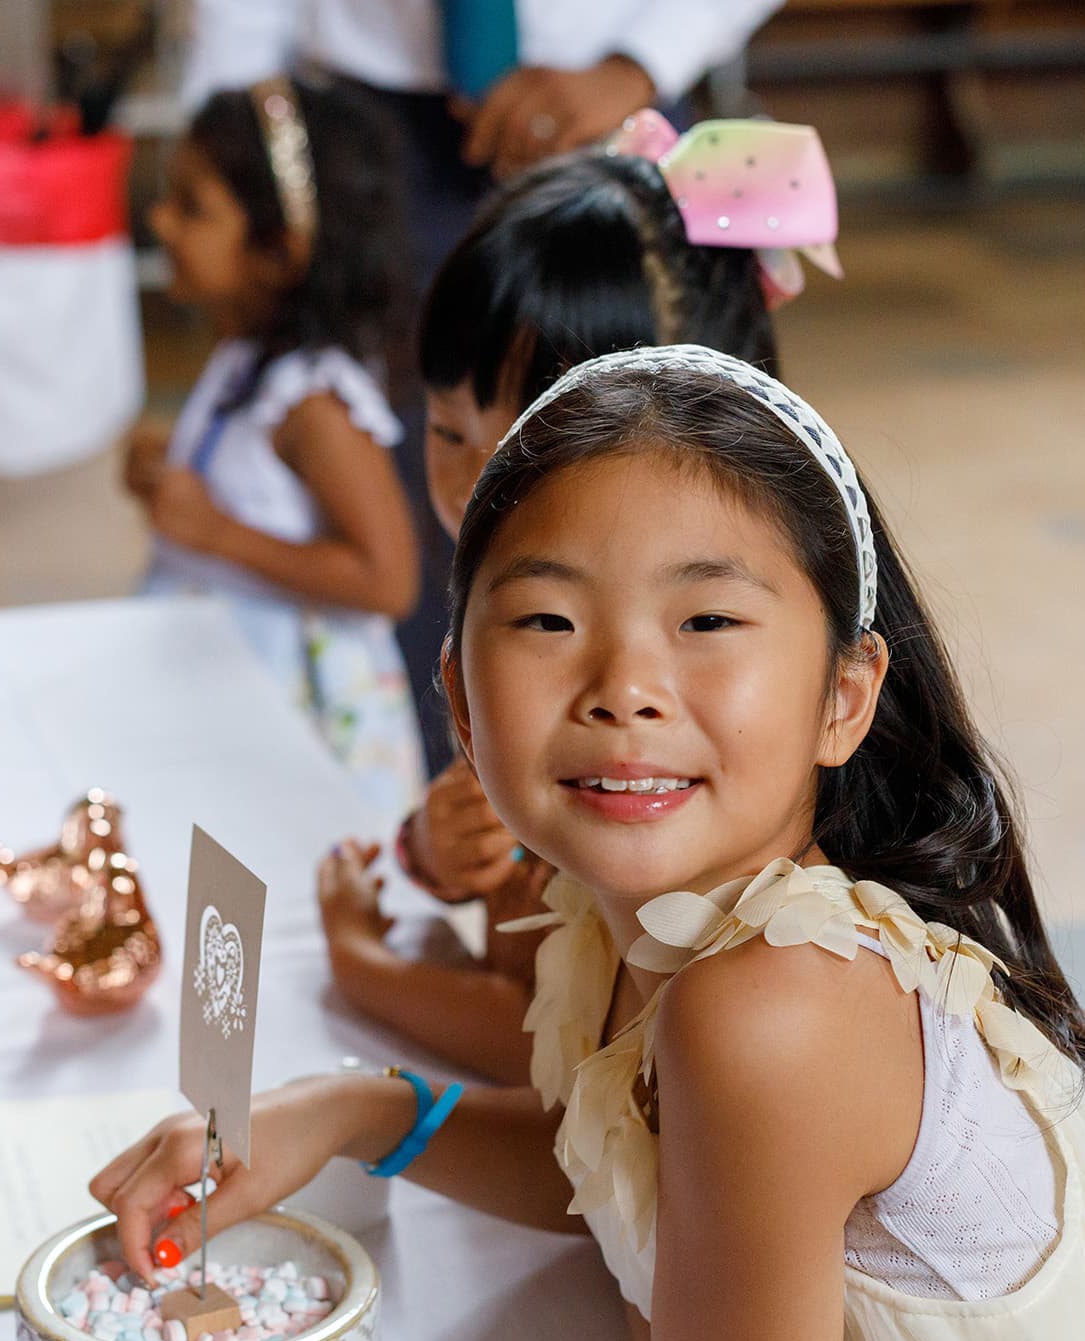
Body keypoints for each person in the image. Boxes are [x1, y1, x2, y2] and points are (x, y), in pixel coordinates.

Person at [97, 346, 1085, 1341]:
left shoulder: (771, 1004)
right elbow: (629, 1172)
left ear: (844, 698)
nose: (625, 684)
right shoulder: (639, 916)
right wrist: (353, 1109)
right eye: (550, 622)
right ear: (454, 691)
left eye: (709, 623)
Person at [318, 121, 816, 1085]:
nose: (470, 490)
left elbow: (573, 1057)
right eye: (448, 432)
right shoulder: (536, 628)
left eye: (519, 450)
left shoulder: (672, 722)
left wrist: (365, 968)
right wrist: (445, 848)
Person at [181, 0, 787, 773]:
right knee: (436, 531)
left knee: (655, 500)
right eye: (452, 440)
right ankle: (461, 768)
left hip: (617, 108)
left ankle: (651, 766)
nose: (480, 482)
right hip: (379, 120)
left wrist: (641, 61)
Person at [131, 75, 427, 820]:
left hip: (296, 707)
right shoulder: (241, 355)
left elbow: (388, 580)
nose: (160, 221)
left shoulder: (314, 404)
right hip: (222, 684)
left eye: (191, 207)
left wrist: (217, 533)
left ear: (276, 251)